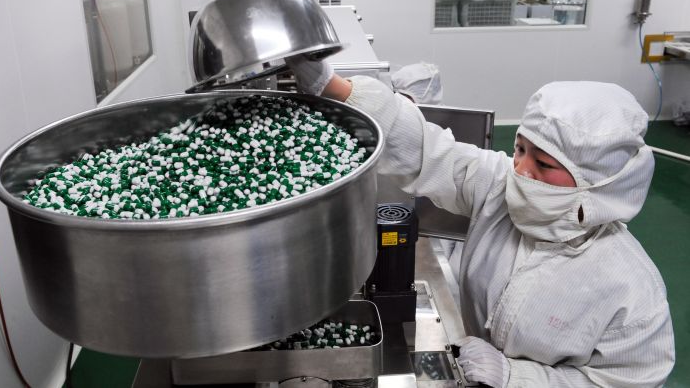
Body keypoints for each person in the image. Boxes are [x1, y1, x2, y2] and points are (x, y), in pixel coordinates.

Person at [286, 56, 675, 387]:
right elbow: (428, 150)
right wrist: (334, 88)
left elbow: (627, 381)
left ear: (600, 180)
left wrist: (515, 377)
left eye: (543, 164)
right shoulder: (499, 187)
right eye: (520, 149)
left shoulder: (630, 288)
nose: (521, 170)